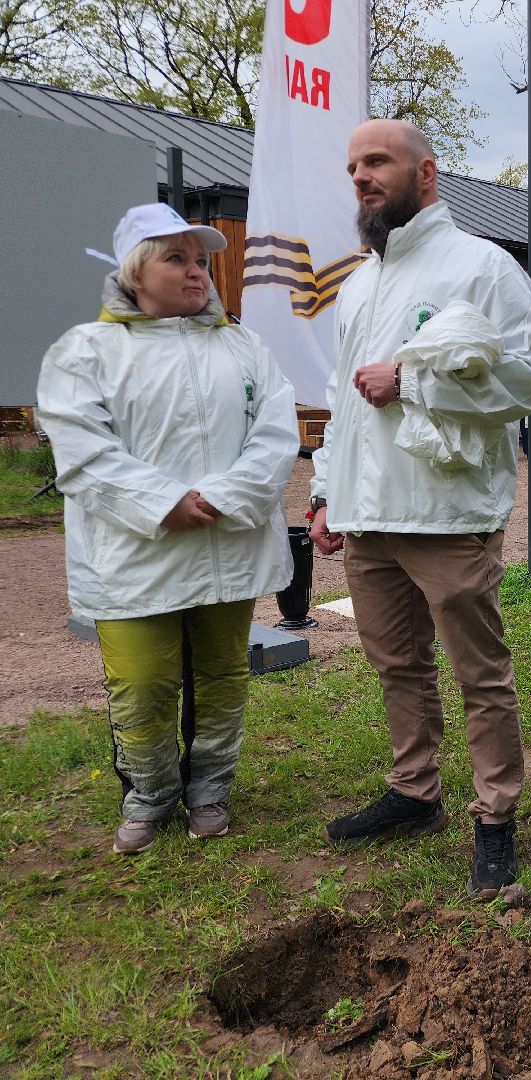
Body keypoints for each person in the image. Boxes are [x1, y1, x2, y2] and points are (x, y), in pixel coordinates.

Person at [309, 119, 531, 896]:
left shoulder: (483, 267)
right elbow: (343, 405)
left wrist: (413, 382)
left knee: (480, 673)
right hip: (369, 516)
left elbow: (527, 383)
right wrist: (324, 494)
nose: (361, 178)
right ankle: (415, 793)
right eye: (353, 167)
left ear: (427, 173)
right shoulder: (359, 282)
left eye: (377, 162)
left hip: (447, 513)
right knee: (396, 664)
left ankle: (496, 817)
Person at [36, 203, 298, 855]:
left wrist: (221, 496)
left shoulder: (243, 346)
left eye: (201, 260)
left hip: (225, 550)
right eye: (175, 258)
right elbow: (84, 451)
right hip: (135, 556)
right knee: (144, 684)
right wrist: (163, 502)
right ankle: (149, 795)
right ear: (134, 272)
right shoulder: (85, 352)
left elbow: (274, 432)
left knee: (222, 677)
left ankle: (210, 789)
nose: (195, 272)